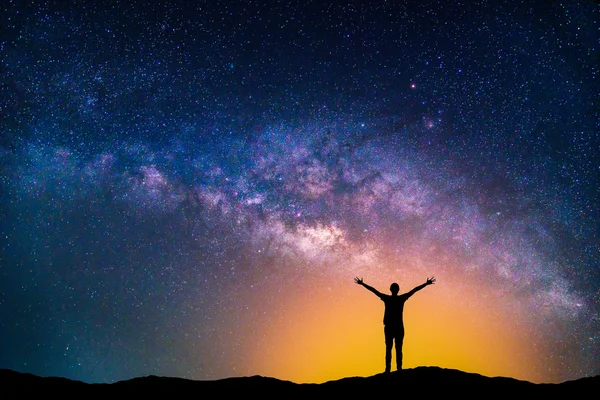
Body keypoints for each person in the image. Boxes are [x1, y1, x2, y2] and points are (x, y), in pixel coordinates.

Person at [354, 276, 435, 373]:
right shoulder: (401, 298)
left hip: (390, 327)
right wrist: (426, 284)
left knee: (389, 349)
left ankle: (389, 369)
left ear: (391, 290)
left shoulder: (388, 299)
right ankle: (398, 368)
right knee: (398, 349)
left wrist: (363, 284)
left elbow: (374, 291)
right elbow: (414, 290)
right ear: (398, 290)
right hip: (397, 327)